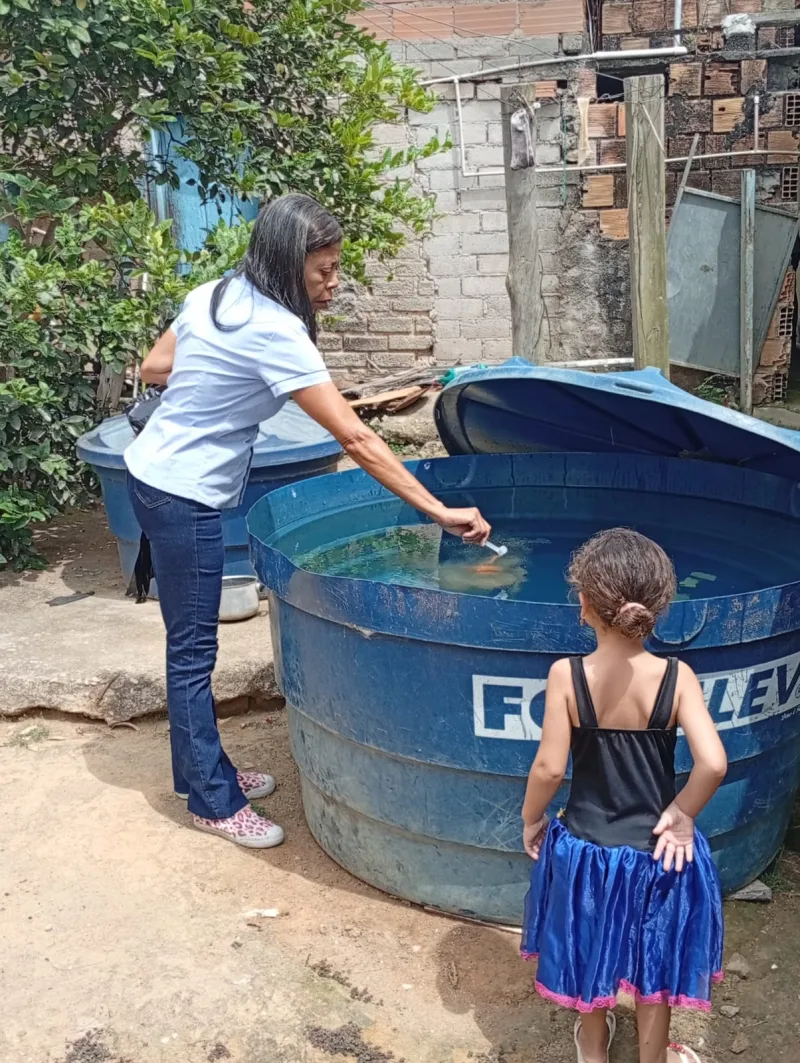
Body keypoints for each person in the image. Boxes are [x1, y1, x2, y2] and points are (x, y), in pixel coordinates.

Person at [124, 192, 491, 849]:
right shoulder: (275, 330)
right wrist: (437, 509)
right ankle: (212, 800)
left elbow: (155, 365)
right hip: (185, 496)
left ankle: (201, 771)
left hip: (150, 475)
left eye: (335, 266)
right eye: (323, 269)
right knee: (192, 653)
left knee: (188, 647)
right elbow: (356, 438)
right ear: (288, 264)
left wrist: (216, 374)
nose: (333, 281)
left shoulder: (219, 292)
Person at [519, 529, 727, 1063]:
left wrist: (531, 819)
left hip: (588, 850)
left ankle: (594, 1048)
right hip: (659, 851)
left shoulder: (568, 675)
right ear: (659, 605)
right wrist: (681, 816)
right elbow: (713, 763)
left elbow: (548, 767)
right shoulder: (677, 678)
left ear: (584, 605)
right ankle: (652, 1057)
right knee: (657, 966)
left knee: (588, 948)